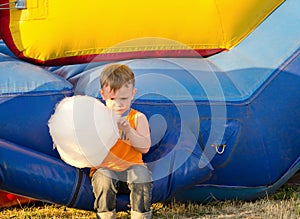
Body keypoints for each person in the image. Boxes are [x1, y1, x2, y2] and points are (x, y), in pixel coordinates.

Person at [90, 63, 153, 219]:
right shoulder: (98, 118)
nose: (118, 104)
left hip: (131, 169)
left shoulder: (138, 118)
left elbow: (145, 148)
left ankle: (141, 214)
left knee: (142, 175)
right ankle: (106, 214)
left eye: (124, 98)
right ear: (102, 95)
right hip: (105, 169)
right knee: (104, 178)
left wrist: (129, 131)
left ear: (133, 94)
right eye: (112, 99)